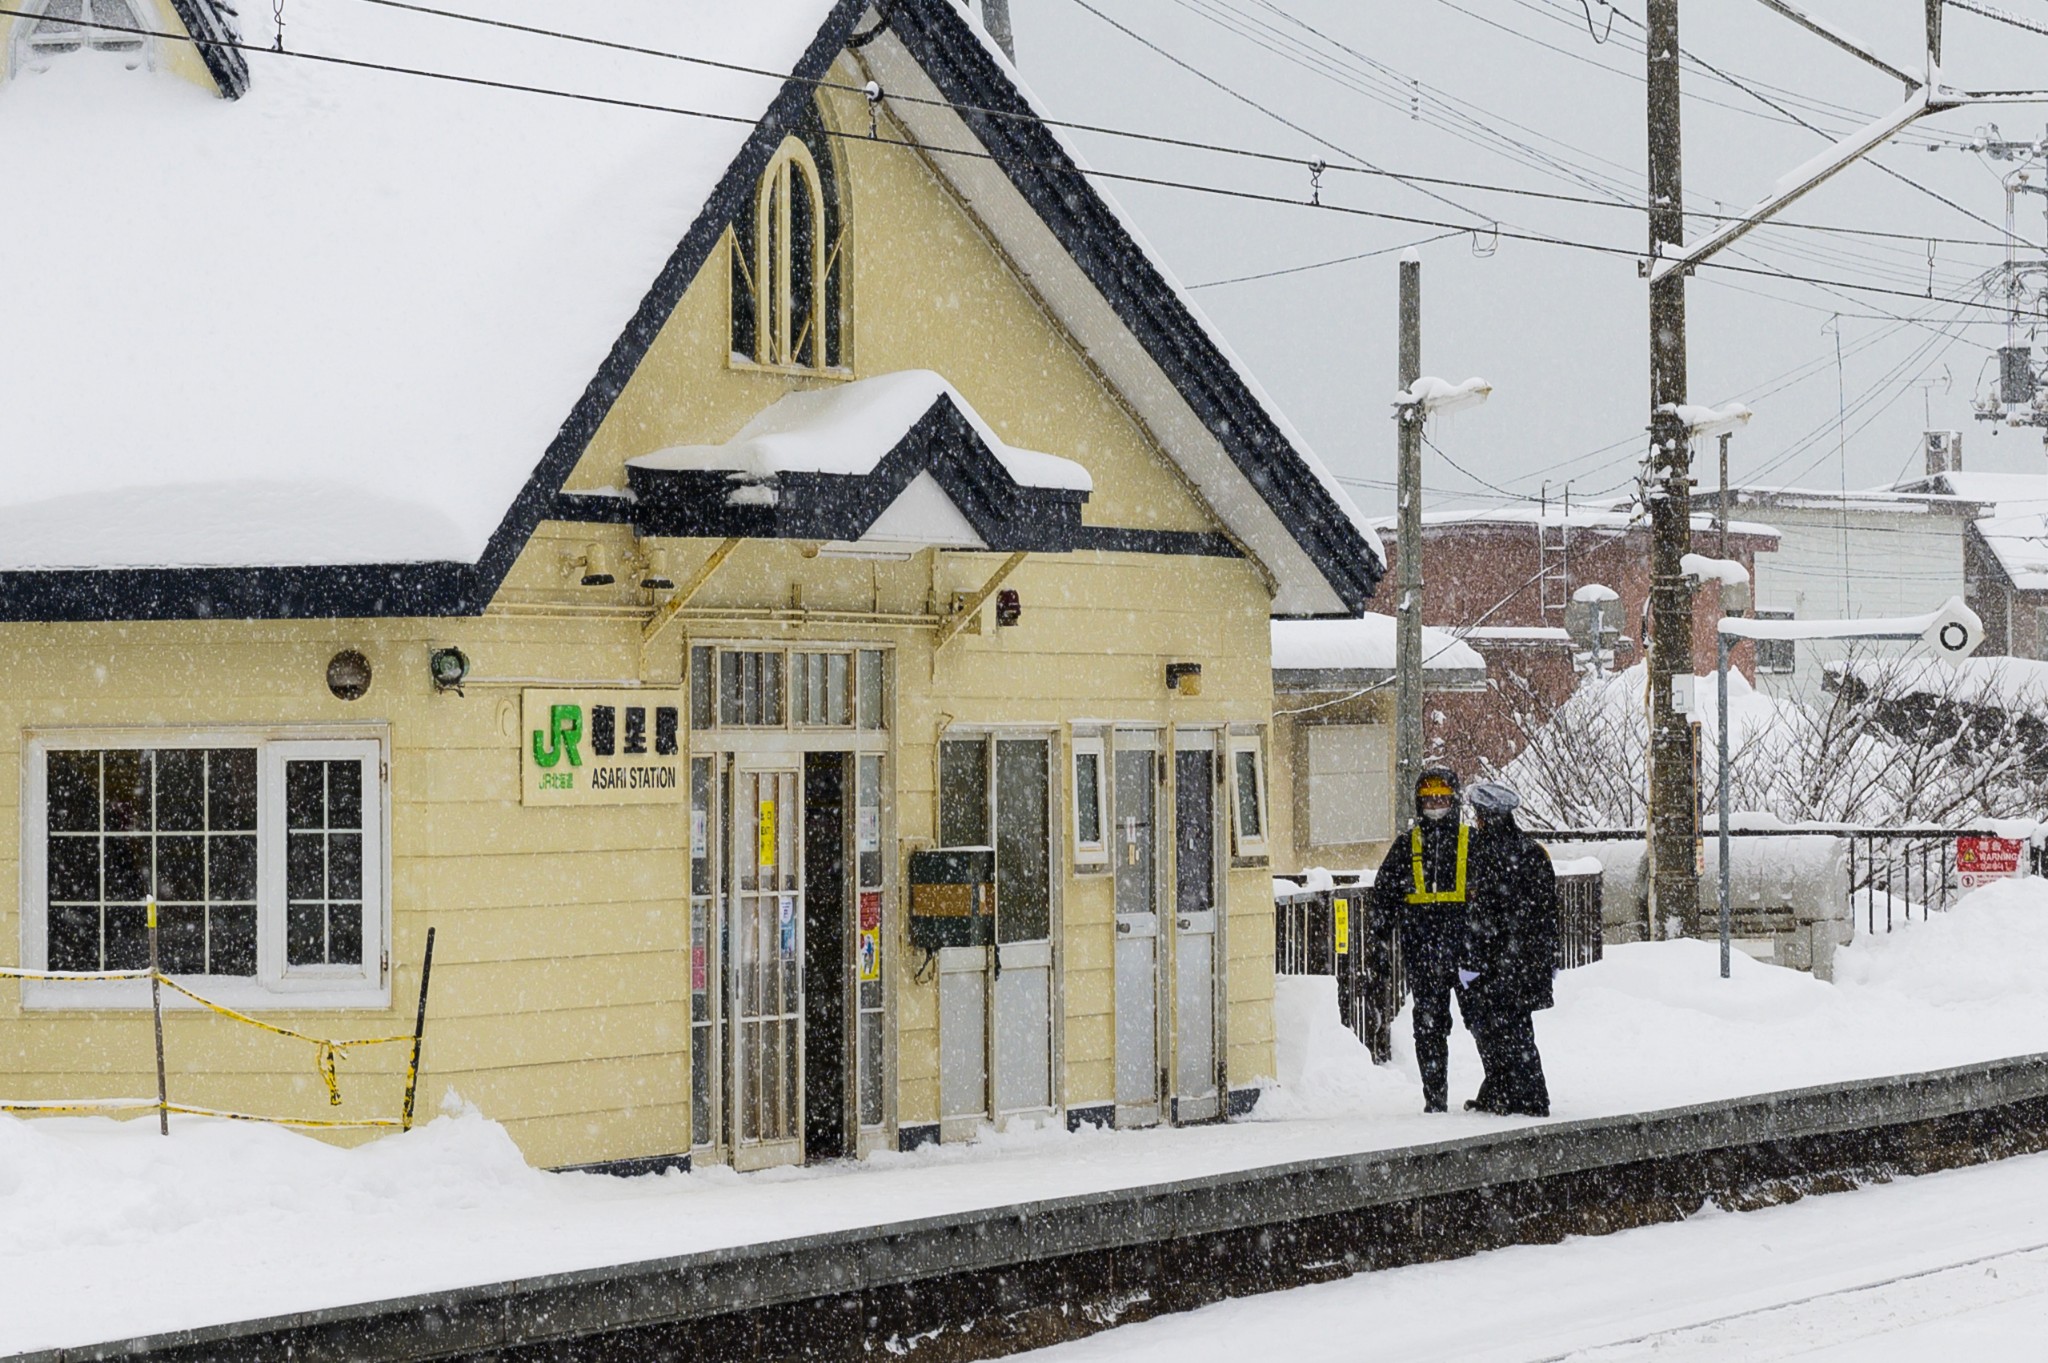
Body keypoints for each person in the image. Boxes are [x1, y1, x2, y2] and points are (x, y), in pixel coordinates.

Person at [1370, 763, 1470, 1113]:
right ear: (1418, 804)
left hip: (1469, 955)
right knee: (1429, 1028)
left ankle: (1499, 1087)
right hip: (1424, 955)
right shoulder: (1406, 846)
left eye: (1442, 798)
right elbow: (1381, 899)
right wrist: (1378, 942)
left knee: (1486, 1022)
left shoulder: (1471, 844)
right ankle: (1435, 1099)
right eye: (1429, 800)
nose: (1436, 805)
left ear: (1455, 800)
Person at [1456, 780, 1559, 1117]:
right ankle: (1507, 1091)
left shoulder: (1482, 854)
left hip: (1495, 962)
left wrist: (1476, 962)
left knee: (1497, 1030)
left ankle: (1525, 1096)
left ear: (1485, 816)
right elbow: (1544, 915)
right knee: (1512, 1029)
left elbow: (1482, 914)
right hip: (1520, 961)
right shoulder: (1531, 852)